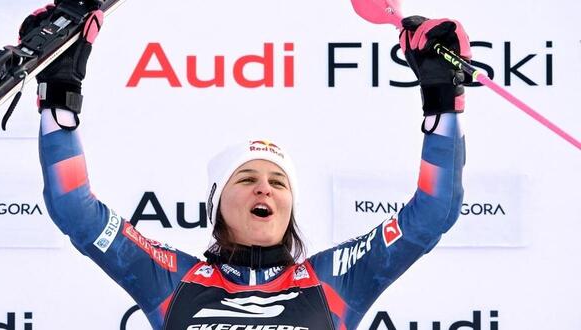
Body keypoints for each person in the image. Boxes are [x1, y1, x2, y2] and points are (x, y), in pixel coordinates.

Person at [28, 4, 469, 329]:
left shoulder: (333, 279)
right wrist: (60, 98)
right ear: (217, 203)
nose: (265, 190)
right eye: (247, 178)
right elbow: (75, 210)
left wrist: (442, 104)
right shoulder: (172, 278)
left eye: (279, 182)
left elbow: (433, 213)